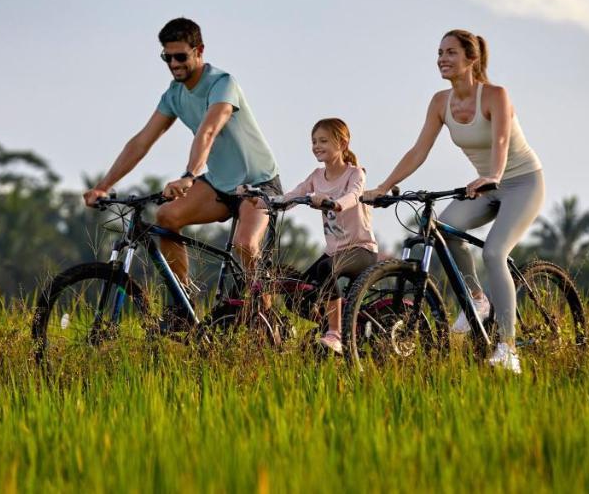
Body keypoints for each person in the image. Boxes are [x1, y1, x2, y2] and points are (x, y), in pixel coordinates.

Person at [362, 30, 544, 374]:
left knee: (493, 252)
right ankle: (477, 298)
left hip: (522, 182)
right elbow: (419, 151)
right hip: (484, 186)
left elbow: (502, 139)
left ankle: (507, 348)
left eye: (450, 53)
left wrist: (494, 173)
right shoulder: (440, 102)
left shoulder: (495, 95)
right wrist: (385, 185)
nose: (442, 59)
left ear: (471, 59)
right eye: (439, 53)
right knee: (444, 231)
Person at [82, 18, 281, 310]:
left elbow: (209, 130)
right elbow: (141, 142)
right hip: (220, 184)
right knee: (167, 217)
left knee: (245, 245)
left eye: (180, 56)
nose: (174, 63)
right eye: (167, 57)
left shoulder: (222, 84)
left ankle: (264, 317)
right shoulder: (174, 95)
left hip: (258, 183)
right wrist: (103, 186)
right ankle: (183, 304)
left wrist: (190, 175)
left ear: (199, 50)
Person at [275, 118, 377, 355]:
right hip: (334, 251)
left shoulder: (355, 173)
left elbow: (353, 196)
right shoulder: (316, 176)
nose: (316, 146)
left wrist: (334, 204)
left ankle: (335, 333)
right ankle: (335, 325)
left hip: (361, 250)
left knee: (326, 270)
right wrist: (260, 201)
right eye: (313, 141)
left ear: (342, 142)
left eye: (323, 140)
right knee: (296, 296)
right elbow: (292, 196)